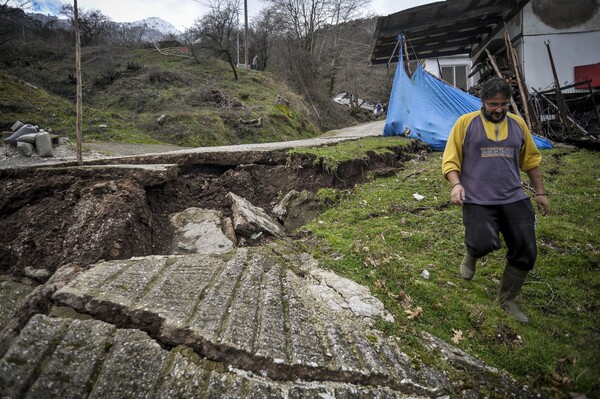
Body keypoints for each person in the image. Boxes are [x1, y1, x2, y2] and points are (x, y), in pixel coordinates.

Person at [442, 77, 550, 324]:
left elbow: (531, 161)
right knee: (482, 242)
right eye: (493, 104)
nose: (499, 109)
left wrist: (541, 192)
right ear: (482, 102)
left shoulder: (518, 124)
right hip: (478, 198)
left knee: (526, 250)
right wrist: (456, 185)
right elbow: (450, 160)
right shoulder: (466, 123)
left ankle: (507, 299)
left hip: (513, 196)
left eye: (503, 104)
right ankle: (472, 254)